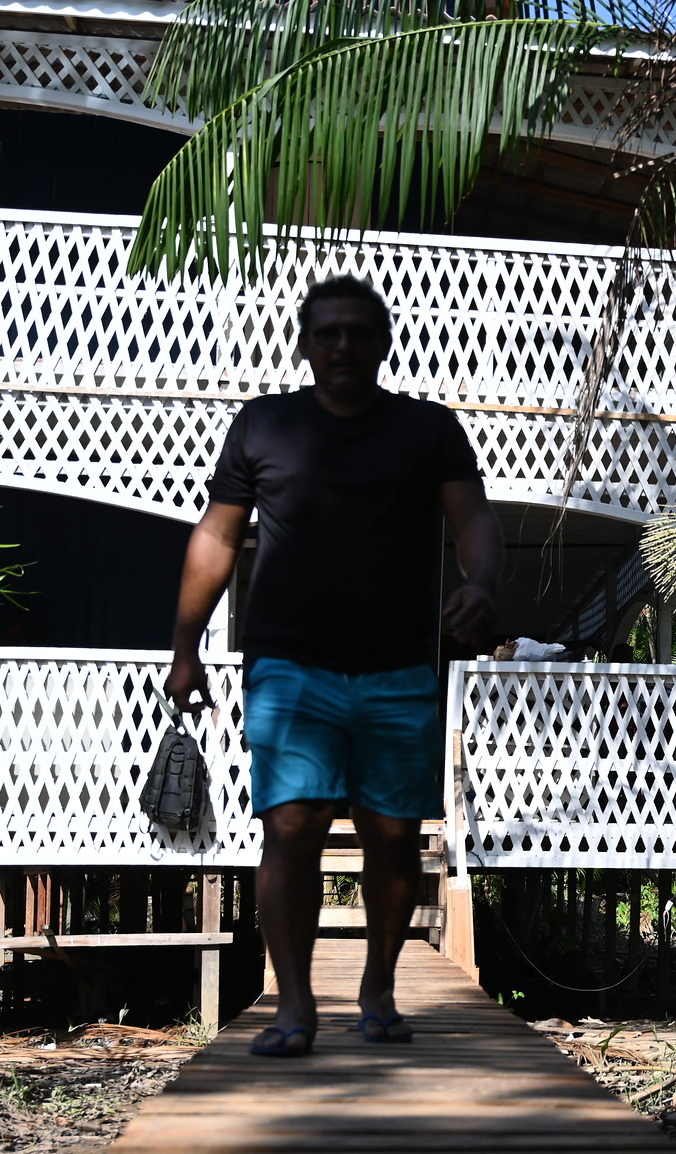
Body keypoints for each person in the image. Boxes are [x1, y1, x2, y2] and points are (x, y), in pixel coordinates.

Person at [165, 275, 503, 1058]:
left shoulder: (428, 430)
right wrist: (185, 646)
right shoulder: (264, 426)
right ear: (306, 344)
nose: (343, 346)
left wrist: (480, 584)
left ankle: (379, 987)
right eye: (328, 333)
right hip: (289, 662)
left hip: (398, 667)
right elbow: (217, 537)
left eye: (358, 332)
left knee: (392, 835)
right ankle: (294, 1006)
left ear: (383, 343)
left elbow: (473, 517)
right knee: (291, 826)